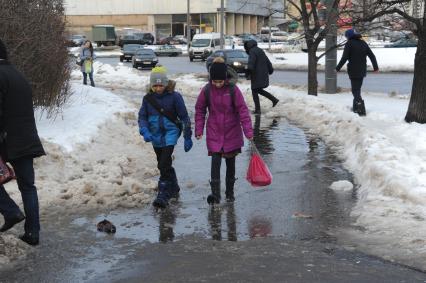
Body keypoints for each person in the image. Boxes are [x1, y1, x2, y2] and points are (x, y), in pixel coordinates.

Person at [0, 39, 45, 246]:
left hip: (8, 140)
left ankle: (11, 212)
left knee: (27, 187)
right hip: (27, 139)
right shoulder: (18, 75)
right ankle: (33, 233)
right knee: (28, 187)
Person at [195, 60, 253, 204]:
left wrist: (248, 131)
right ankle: (215, 195)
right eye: (215, 81)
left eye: (220, 81)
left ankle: (229, 193)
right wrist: (199, 129)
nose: (218, 84)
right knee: (215, 163)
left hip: (231, 132)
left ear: (225, 78)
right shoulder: (207, 90)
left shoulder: (233, 90)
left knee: (230, 164)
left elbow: (243, 111)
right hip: (214, 131)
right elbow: (200, 110)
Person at [138, 66, 192, 209]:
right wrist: (144, 130)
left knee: (163, 164)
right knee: (163, 163)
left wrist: (187, 136)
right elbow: (142, 117)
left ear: (166, 83)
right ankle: (174, 186)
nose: (158, 88)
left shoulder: (175, 97)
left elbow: (185, 117)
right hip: (155, 135)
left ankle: (163, 193)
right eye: (155, 85)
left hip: (170, 133)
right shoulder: (147, 99)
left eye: (161, 85)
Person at [336, 29, 379, 116]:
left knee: (355, 90)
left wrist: (337, 68)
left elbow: (344, 57)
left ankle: (360, 109)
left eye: (346, 37)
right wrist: (376, 68)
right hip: (362, 70)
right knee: (357, 89)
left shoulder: (349, 44)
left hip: (353, 70)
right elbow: (372, 56)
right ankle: (356, 108)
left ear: (349, 36)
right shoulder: (363, 43)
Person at [244, 39, 279, 115]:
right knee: (257, 90)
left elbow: (251, 63)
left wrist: (248, 72)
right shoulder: (260, 50)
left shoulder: (252, 51)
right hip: (262, 74)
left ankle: (258, 109)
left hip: (256, 75)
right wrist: (270, 70)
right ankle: (273, 100)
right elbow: (267, 61)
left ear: (248, 46)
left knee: (255, 90)